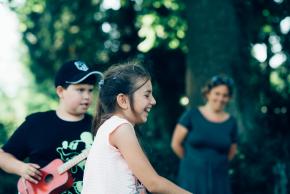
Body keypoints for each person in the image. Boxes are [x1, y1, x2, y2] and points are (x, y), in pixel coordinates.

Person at [81, 62, 192, 194]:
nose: (153, 101)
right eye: (146, 95)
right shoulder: (120, 127)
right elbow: (154, 183)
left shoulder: (111, 127)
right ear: (123, 100)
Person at [0, 60, 103, 194]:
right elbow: (3, 156)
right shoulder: (36, 123)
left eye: (90, 90)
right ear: (61, 91)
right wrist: (21, 168)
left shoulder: (99, 126)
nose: (87, 96)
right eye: (80, 90)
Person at [171, 75, 238, 194]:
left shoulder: (231, 122)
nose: (220, 98)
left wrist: (217, 164)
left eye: (225, 95)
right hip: (192, 177)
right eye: (217, 93)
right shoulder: (192, 115)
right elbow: (175, 144)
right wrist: (192, 162)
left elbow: (232, 151)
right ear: (208, 94)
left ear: (229, 98)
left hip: (220, 178)